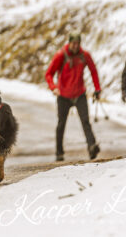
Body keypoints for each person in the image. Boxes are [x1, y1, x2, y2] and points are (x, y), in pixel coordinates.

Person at [45, 32, 101, 161]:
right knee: (61, 124)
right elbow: (49, 74)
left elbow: (93, 71)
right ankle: (59, 152)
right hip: (63, 95)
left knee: (85, 121)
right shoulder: (61, 55)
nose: (76, 46)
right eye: (73, 43)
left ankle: (92, 147)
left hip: (80, 94)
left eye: (78, 43)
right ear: (69, 43)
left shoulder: (84, 55)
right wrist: (53, 87)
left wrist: (97, 89)